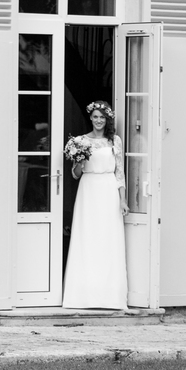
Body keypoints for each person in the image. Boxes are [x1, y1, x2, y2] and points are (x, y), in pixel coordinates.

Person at [62, 100, 128, 309]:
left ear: (107, 119)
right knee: (87, 236)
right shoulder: (80, 141)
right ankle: (82, 295)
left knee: (108, 238)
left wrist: (123, 199)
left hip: (108, 189)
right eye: (95, 117)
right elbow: (74, 174)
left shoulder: (114, 140)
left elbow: (119, 172)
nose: (98, 121)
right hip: (88, 188)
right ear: (90, 118)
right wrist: (80, 162)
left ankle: (110, 296)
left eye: (102, 117)